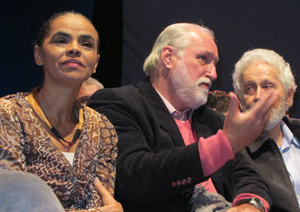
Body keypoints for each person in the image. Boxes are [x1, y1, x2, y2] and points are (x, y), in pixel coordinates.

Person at [88, 23, 280, 212]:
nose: (213, 74)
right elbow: (133, 176)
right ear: (168, 57)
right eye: (203, 59)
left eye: (215, 64)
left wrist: (250, 205)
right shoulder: (118, 103)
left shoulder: (211, 119)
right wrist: (220, 147)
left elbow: (248, 175)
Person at [0, 11, 123, 212]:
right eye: (61, 40)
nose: (75, 49)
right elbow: (14, 201)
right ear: (38, 55)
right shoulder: (8, 114)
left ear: (96, 63)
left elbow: (103, 202)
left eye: (86, 44)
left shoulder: (102, 126)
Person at [232, 48, 300, 212]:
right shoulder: (233, 151)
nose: (258, 96)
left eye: (267, 86)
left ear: (289, 96)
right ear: (240, 100)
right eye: (249, 88)